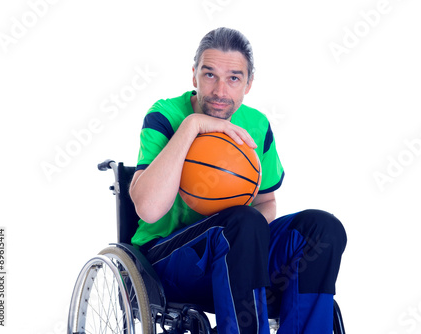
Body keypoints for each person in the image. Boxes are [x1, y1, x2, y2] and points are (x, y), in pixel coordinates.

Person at [129, 27, 347, 334]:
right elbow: (149, 209)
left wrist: (251, 237)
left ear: (248, 83)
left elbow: (266, 201)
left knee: (323, 228)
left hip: (239, 255)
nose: (220, 91)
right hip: (170, 262)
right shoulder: (165, 115)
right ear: (194, 76)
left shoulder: (256, 125)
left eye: (233, 77)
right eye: (209, 75)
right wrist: (192, 126)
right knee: (242, 223)